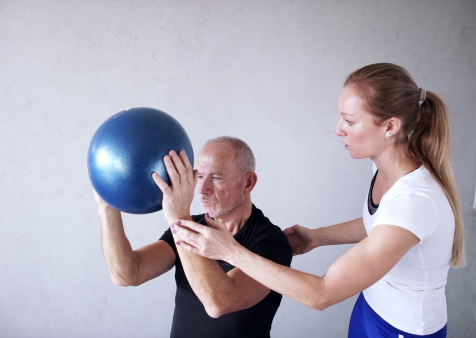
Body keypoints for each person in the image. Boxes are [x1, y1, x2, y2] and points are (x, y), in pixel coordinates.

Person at [172, 63, 466, 337]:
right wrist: (317, 237)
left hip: (403, 327)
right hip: (371, 306)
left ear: (390, 126)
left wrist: (231, 252)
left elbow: (321, 294)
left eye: (350, 121)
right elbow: (382, 223)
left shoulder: (415, 201)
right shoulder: (385, 165)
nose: (338, 129)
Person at [95, 136, 292, 338]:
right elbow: (128, 274)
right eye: (199, 177)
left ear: (248, 183)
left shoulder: (272, 242)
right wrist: (107, 207)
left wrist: (178, 217)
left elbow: (219, 302)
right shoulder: (190, 226)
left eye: (216, 178)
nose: (202, 189)